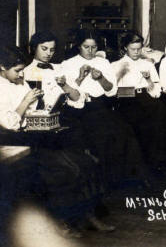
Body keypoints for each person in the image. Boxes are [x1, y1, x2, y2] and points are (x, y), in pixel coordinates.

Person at [0, 45, 114, 237]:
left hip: (34, 134)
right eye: (17, 71)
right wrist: (26, 102)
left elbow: (34, 109)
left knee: (85, 161)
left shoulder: (18, 82)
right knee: (65, 168)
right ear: (2, 66)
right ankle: (62, 220)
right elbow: (9, 122)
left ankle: (86, 214)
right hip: (16, 140)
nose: (21, 76)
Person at [61, 29, 148, 188]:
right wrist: (80, 77)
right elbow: (67, 93)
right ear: (78, 46)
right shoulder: (68, 64)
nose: (90, 51)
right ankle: (106, 181)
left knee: (125, 130)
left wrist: (101, 78)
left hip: (100, 106)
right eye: (86, 47)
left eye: (94, 47)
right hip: (79, 109)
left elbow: (111, 91)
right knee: (103, 134)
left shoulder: (103, 63)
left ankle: (130, 178)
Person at [112, 31, 166, 170]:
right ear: (125, 48)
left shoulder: (147, 64)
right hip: (126, 99)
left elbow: (156, 92)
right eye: (132, 49)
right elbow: (111, 91)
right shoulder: (116, 65)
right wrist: (118, 75)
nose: (136, 52)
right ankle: (139, 163)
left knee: (160, 111)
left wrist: (148, 80)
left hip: (146, 97)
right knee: (137, 119)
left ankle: (159, 161)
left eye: (139, 49)